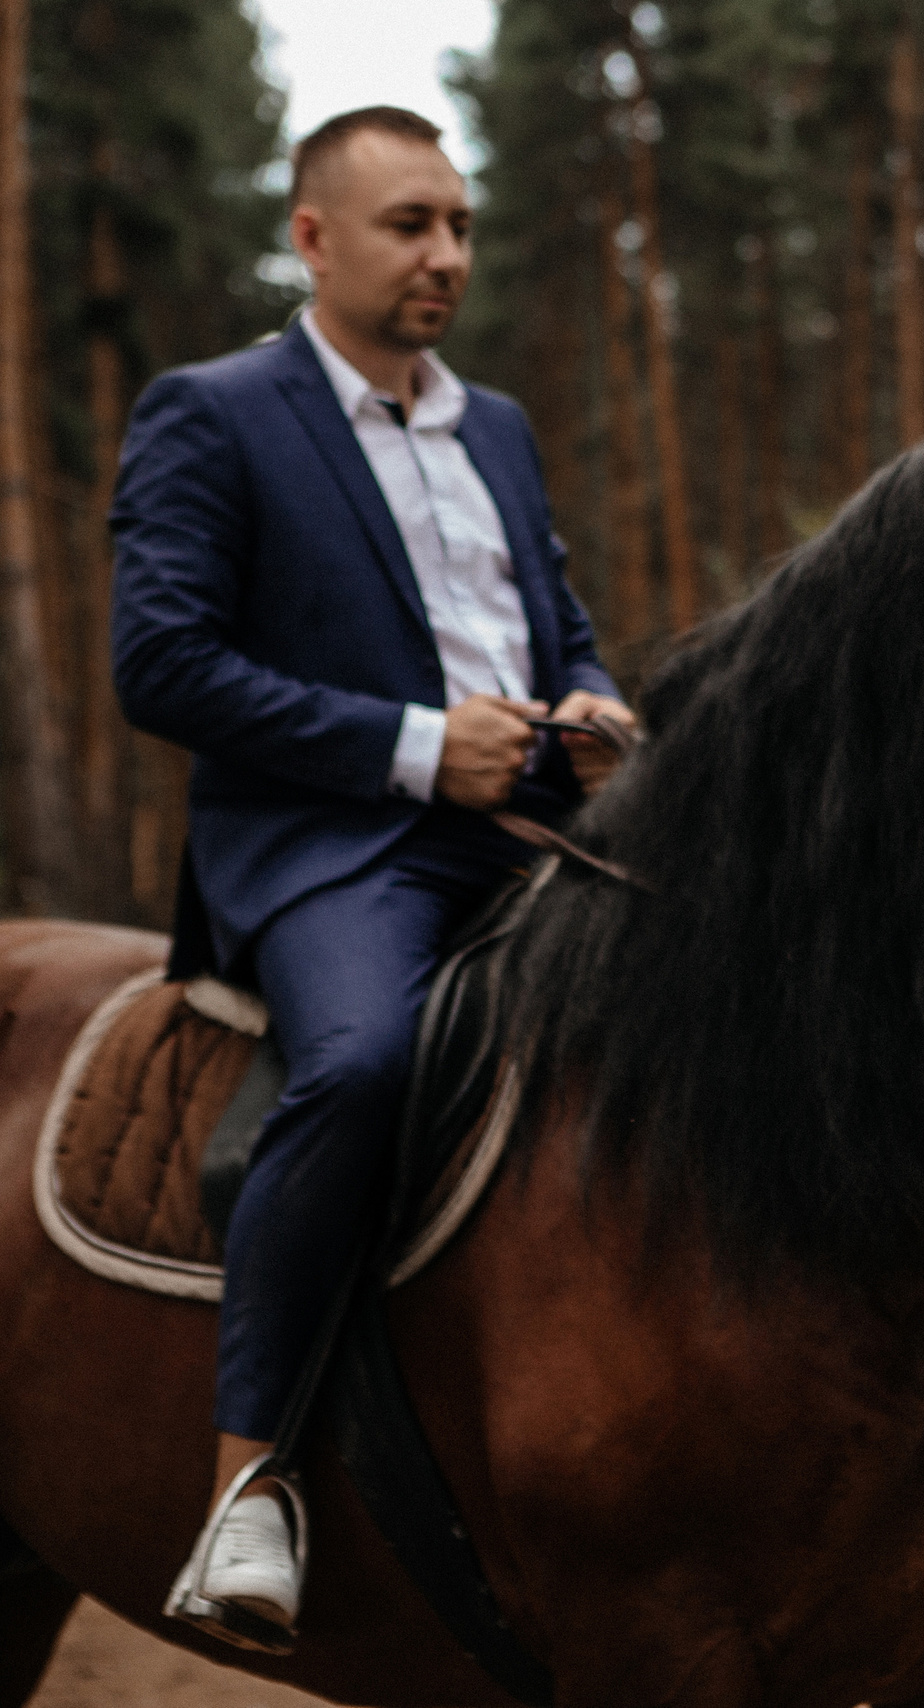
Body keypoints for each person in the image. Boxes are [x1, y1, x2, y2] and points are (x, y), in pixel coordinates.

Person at [111, 105, 633, 1652]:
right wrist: (414, 750)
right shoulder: (213, 414)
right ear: (314, 237)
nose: (448, 257)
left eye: (460, 225)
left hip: (538, 822)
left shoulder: (500, 427)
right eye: (411, 225)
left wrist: (592, 700)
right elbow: (162, 664)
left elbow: (558, 615)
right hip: (336, 845)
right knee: (361, 1064)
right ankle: (252, 1487)